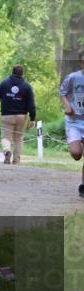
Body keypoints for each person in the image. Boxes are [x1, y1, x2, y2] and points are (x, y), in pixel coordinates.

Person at [0, 64, 37, 164]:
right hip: (22, 116)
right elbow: (31, 104)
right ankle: (16, 161)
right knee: (18, 139)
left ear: (12, 72)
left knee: (6, 137)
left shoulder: (4, 83)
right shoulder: (27, 86)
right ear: (22, 73)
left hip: (6, 115)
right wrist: (32, 118)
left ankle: (7, 151)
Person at [59, 51, 84, 197]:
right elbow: (62, 92)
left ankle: (83, 185)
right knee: (76, 154)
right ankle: (78, 144)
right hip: (74, 121)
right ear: (80, 63)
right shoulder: (73, 78)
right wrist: (67, 105)